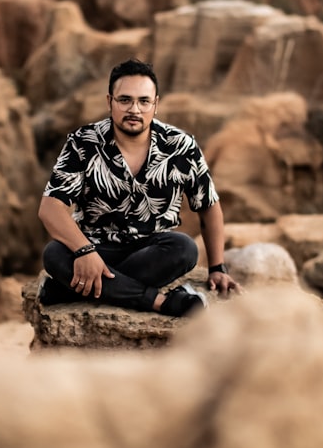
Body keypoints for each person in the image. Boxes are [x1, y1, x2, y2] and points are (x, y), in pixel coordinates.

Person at [37, 58, 242, 317]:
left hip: (153, 251)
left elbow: (209, 205)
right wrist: (85, 251)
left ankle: (67, 290)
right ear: (109, 101)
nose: (134, 109)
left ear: (155, 105)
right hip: (97, 245)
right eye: (125, 100)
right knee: (54, 253)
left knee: (185, 249)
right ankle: (161, 302)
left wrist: (218, 268)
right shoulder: (83, 142)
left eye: (144, 101)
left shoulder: (181, 146)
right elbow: (50, 208)